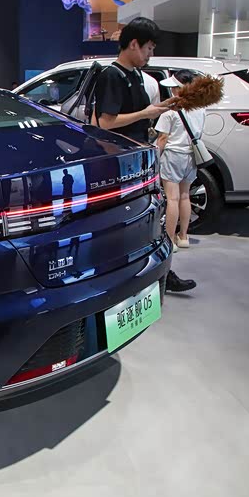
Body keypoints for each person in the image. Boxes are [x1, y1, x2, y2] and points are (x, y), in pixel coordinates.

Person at [92, 17, 196, 293]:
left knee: (151, 218)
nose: (150, 54)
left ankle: (159, 272)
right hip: (121, 162)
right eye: (148, 48)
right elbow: (105, 123)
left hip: (139, 160)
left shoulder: (137, 76)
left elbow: (138, 116)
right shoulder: (112, 76)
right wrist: (145, 113)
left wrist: (160, 108)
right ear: (134, 44)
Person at [155, 70, 204, 251]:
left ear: (180, 88)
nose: (172, 90)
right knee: (185, 196)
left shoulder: (170, 112)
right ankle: (183, 236)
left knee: (172, 199)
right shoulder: (201, 109)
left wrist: (155, 159)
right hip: (191, 156)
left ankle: (170, 240)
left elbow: (162, 139)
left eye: (175, 87)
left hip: (173, 156)